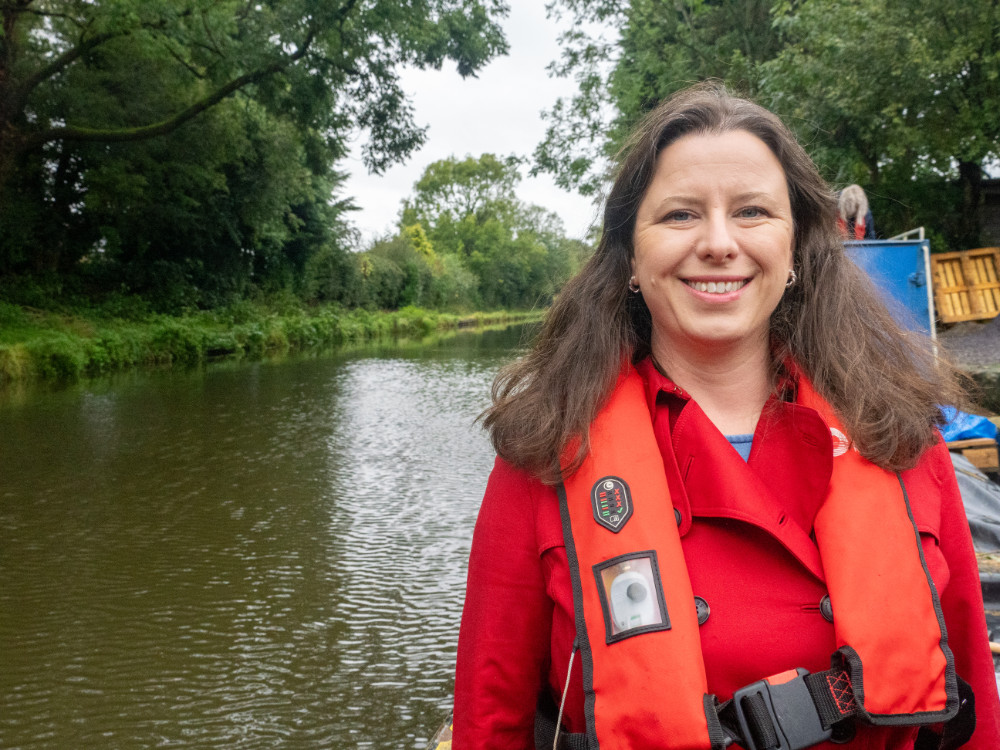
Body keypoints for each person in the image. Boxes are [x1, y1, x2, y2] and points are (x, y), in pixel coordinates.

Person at [454, 82, 1000, 750]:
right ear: (630, 257)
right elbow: (490, 721)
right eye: (680, 215)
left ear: (797, 249)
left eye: (752, 212)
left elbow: (975, 712)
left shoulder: (904, 439)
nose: (718, 243)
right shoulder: (543, 459)